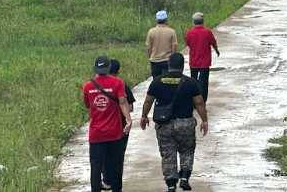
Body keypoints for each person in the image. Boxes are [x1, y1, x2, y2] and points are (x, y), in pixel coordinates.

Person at [140, 52, 208, 192]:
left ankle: (171, 185)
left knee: (168, 154)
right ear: (182, 66)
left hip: (164, 124)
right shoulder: (190, 82)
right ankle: (184, 178)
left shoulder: (157, 81)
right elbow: (199, 103)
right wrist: (204, 120)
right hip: (185, 123)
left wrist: (144, 116)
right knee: (187, 150)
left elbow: (148, 101)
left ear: (168, 65)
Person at [82, 55, 131, 192]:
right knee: (116, 165)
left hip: (96, 134)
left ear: (95, 68)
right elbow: (123, 102)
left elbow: (87, 104)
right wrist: (128, 120)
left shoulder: (87, 86)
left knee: (96, 167)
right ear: (109, 68)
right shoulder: (118, 83)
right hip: (114, 133)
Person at [101, 59, 135, 191]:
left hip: (103, 125)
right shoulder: (122, 84)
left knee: (104, 153)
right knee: (118, 156)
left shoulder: (97, 85)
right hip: (121, 125)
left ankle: (106, 180)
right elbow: (130, 107)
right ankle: (116, 185)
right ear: (118, 71)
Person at [183, 12, 219, 102]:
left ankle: (194, 100)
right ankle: (203, 100)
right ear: (203, 21)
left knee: (193, 82)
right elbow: (213, 43)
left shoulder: (189, 33)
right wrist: (216, 50)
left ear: (193, 22)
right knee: (204, 82)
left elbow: (188, 43)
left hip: (194, 61)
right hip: (205, 62)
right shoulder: (207, 32)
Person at [146, 10, 178, 79]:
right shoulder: (172, 31)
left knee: (156, 81)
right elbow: (174, 47)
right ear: (166, 20)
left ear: (156, 20)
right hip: (167, 61)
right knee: (167, 81)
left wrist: (150, 57)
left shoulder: (151, 31)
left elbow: (148, 47)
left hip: (155, 61)